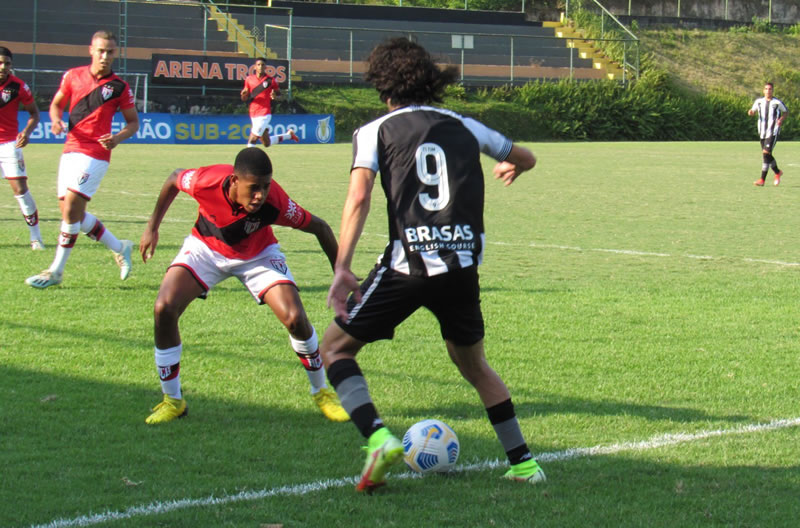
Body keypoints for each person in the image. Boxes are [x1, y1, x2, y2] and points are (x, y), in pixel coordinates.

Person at [319, 37, 545, 493]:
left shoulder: (374, 130)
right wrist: (514, 168)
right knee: (475, 364)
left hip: (409, 265)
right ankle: (524, 464)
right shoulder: (464, 124)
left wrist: (343, 266)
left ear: (383, 86)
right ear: (428, 81)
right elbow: (525, 156)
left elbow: (359, 197)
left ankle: (379, 439)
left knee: (335, 350)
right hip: (462, 268)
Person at [139, 147, 349, 425]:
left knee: (295, 318)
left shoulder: (276, 202)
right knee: (164, 308)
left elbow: (320, 227)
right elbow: (174, 178)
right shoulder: (206, 181)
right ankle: (173, 401)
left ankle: (321, 392)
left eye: (265, 186)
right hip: (206, 248)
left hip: (258, 255)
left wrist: (341, 271)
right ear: (235, 180)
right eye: (253, 188)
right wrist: (152, 226)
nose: (260, 195)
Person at [25, 30, 139, 289]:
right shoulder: (72, 76)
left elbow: (133, 123)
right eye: (101, 51)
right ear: (91, 50)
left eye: (110, 51)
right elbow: (56, 104)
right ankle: (120, 247)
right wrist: (55, 120)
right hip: (71, 149)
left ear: (115, 53)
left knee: (73, 208)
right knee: (71, 212)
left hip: (97, 153)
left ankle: (56, 271)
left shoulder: (119, 87)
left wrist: (117, 138)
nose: (105, 56)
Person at [0, 46, 44, 250]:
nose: (3, 67)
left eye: (7, 64)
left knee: (20, 191)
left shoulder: (18, 86)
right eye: (0, 63)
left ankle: (36, 237)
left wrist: (26, 132)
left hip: (9, 145)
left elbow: (35, 114)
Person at [240, 57, 298, 147]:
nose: (260, 67)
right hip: (253, 113)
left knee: (252, 140)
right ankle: (289, 135)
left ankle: (247, 160)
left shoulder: (271, 81)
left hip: (264, 113)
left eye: (263, 65)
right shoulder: (249, 79)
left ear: (266, 67)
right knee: (267, 143)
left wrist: (275, 97)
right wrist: (243, 95)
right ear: (254, 67)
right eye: (258, 65)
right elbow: (244, 98)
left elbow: (281, 96)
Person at [748, 82, 788, 187]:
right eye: (766, 89)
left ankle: (762, 179)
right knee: (766, 155)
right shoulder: (759, 102)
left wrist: (781, 120)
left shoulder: (777, 102)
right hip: (762, 132)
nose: (768, 91)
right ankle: (777, 172)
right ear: (763, 90)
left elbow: (786, 112)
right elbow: (752, 110)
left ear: (772, 90)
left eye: (770, 89)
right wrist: (751, 112)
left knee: (766, 153)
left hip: (773, 131)